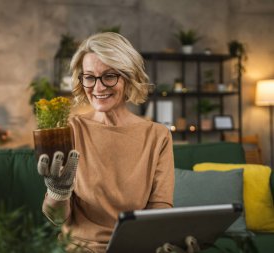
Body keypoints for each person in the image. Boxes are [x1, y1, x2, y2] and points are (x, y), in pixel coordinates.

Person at [37, 32, 199, 253]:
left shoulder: (157, 136)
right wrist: (57, 192)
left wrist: (165, 242)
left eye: (109, 76)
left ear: (128, 77)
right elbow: (56, 219)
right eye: (89, 77)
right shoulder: (70, 131)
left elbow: (159, 209)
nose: (98, 87)